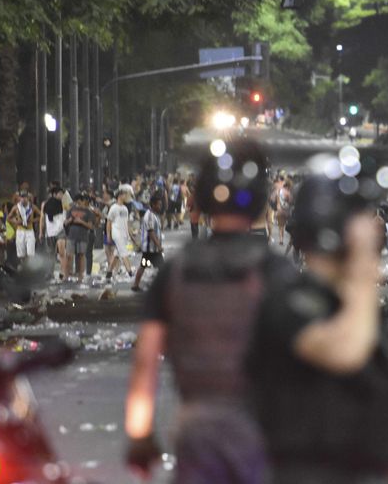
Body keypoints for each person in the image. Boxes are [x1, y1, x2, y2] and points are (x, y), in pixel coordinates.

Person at [252, 175, 388, 484]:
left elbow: (376, 400)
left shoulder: (349, 309)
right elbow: (344, 352)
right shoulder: (287, 299)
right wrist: (361, 273)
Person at [125, 142, 274, 483]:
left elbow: (146, 358)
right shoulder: (274, 273)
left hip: (195, 425)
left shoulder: (175, 272)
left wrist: (139, 434)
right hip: (259, 425)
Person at [132, 196, 163, 292]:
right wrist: (158, 245)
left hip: (151, 249)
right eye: (158, 204)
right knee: (162, 267)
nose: (160, 206)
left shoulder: (153, 215)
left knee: (144, 265)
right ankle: (162, 287)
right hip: (151, 249)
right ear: (153, 205)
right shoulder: (149, 216)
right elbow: (151, 232)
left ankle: (135, 285)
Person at [64, 194, 95, 283]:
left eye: (79, 201)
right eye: (75, 201)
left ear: (82, 201)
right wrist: (70, 220)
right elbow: (65, 223)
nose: (77, 203)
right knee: (69, 256)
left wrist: (81, 221)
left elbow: (90, 226)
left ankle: (80, 277)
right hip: (71, 235)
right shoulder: (70, 210)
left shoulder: (88, 212)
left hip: (83, 236)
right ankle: (66, 276)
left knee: (81, 256)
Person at [107, 189, 135, 280]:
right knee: (124, 253)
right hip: (116, 233)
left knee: (117, 254)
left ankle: (109, 272)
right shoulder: (113, 208)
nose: (126, 197)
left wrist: (129, 234)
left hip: (124, 234)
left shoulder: (125, 209)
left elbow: (126, 223)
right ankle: (130, 272)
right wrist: (108, 235)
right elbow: (109, 222)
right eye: (125, 195)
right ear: (119, 196)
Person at [7, 191, 39, 263]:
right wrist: (15, 222)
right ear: (19, 198)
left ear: (28, 198)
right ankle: (23, 266)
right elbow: (8, 218)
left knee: (30, 252)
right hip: (20, 231)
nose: (23, 199)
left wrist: (33, 220)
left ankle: (29, 267)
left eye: (25, 197)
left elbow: (41, 215)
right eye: (22, 197)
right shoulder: (16, 207)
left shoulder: (32, 207)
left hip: (29, 230)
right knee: (21, 253)